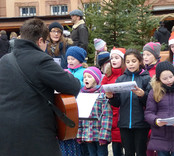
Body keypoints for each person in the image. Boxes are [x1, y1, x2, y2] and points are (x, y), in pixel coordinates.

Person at [0, 18, 81, 156]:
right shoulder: (40, 59)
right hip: (36, 135)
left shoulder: (4, 60)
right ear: (40, 41)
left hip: (5, 133)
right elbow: (73, 86)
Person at [106, 49, 151, 156]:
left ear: (140, 62)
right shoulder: (121, 79)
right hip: (125, 123)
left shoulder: (146, 78)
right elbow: (117, 103)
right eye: (128, 62)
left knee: (141, 152)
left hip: (141, 123)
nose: (131, 64)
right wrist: (111, 97)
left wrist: (142, 95)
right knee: (128, 152)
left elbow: (151, 101)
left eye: (134, 61)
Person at [144, 61, 174, 156]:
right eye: (165, 78)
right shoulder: (154, 92)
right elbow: (149, 113)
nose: (169, 80)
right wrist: (156, 121)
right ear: (159, 79)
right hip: (160, 134)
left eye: (171, 77)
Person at [77, 67, 113, 156]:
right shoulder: (81, 95)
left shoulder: (102, 95)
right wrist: (79, 134)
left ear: (96, 79)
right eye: (84, 77)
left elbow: (107, 116)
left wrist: (104, 136)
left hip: (99, 135)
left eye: (89, 76)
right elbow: (79, 116)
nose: (86, 79)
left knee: (101, 154)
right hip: (87, 134)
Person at [101, 47, 126, 156]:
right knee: (116, 148)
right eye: (112, 58)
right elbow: (102, 89)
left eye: (117, 58)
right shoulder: (108, 75)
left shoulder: (126, 75)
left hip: (123, 113)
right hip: (111, 114)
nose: (114, 60)